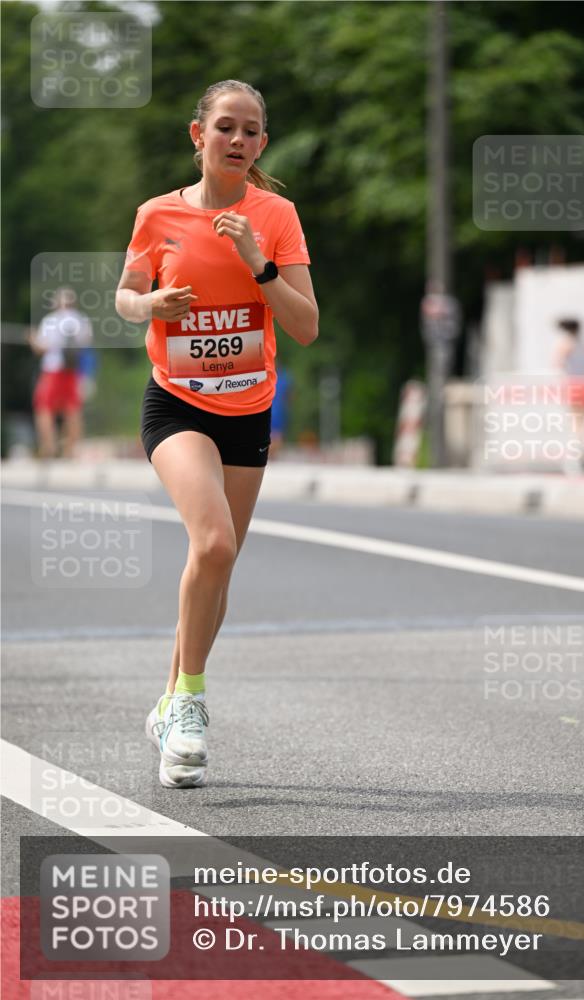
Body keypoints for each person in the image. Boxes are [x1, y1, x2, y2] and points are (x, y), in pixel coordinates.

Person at [115, 80, 318, 789]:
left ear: (261, 144)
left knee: (217, 564)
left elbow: (304, 326)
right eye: (225, 127)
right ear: (197, 136)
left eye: (252, 131)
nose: (238, 140)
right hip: (176, 404)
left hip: (248, 408)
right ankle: (192, 705)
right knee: (214, 541)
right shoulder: (157, 214)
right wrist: (149, 303)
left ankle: (172, 702)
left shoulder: (276, 216)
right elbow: (124, 294)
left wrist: (257, 261)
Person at [28, 286, 93, 458]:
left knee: (44, 408)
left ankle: (48, 448)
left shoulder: (51, 320)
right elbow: (86, 343)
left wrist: (32, 339)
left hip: (52, 370)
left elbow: (41, 348)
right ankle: (70, 450)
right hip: (72, 371)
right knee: (73, 410)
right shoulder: (82, 320)